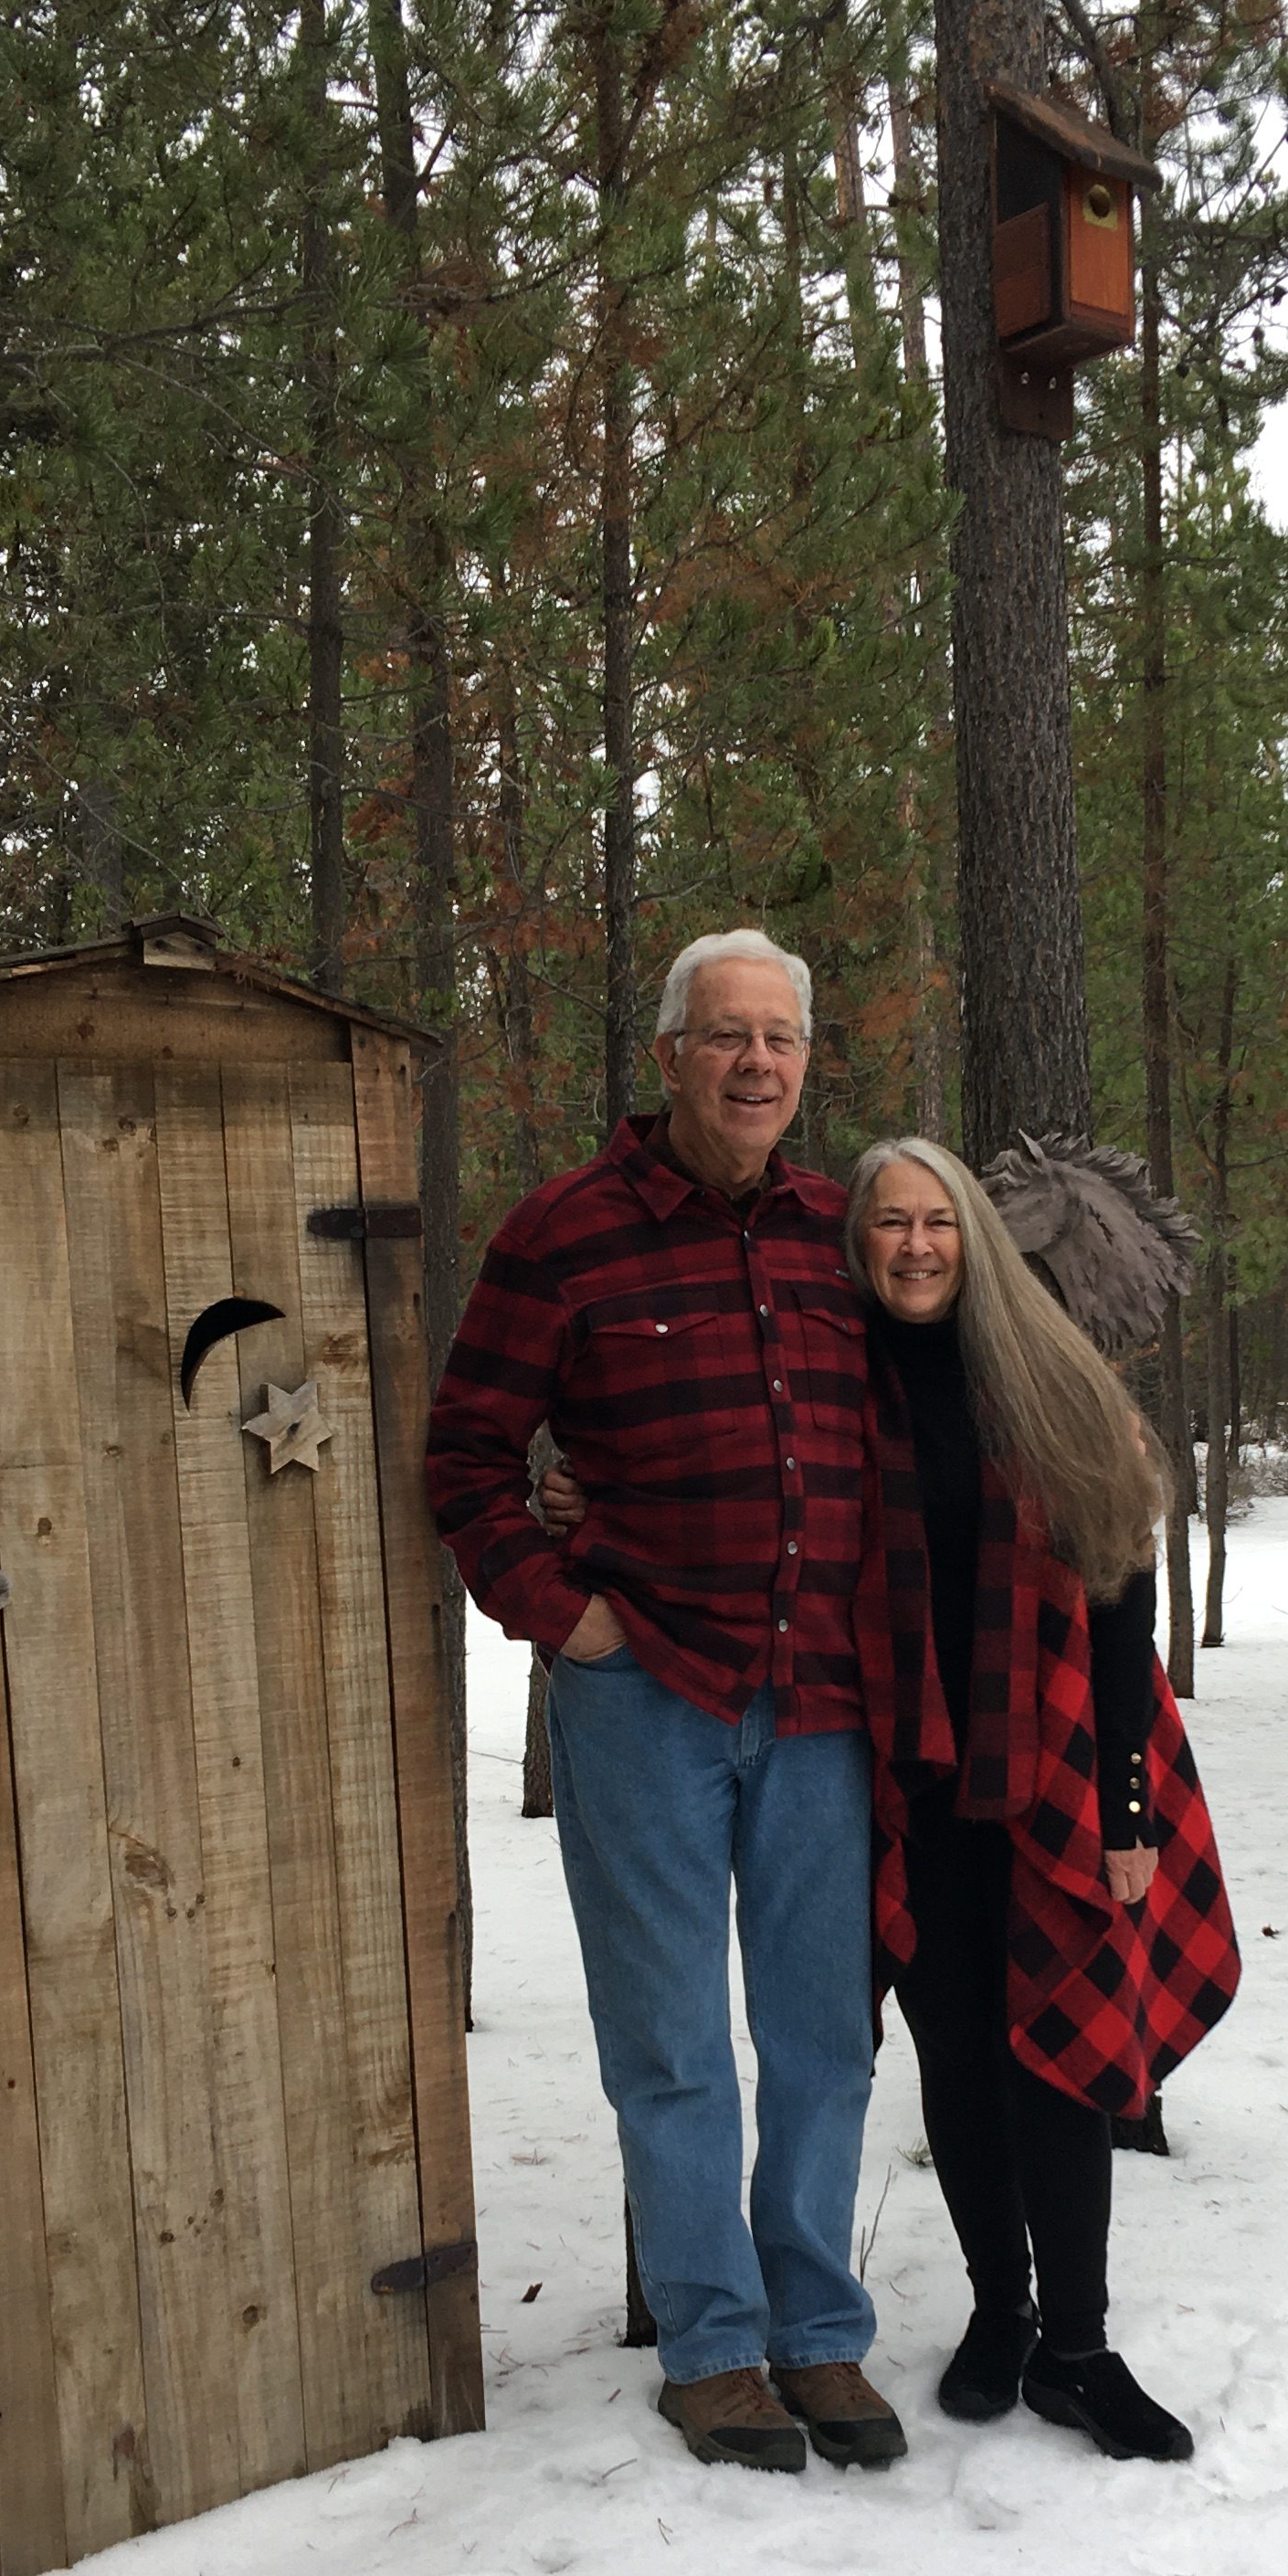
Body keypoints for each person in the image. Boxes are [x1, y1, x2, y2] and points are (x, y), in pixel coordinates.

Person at [424, 929, 903, 2478]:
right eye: (727, 1037)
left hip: (824, 1700)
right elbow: (467, 1460)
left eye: (782, 1040)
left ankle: (818, 2330)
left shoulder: (843, 1236)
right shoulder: (564, 1235)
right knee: (675, 2041)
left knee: (825, 2037)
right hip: (648, 1704)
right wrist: (567, 1616)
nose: (757, 1065)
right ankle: (712, 2346)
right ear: (670, 1054)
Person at [848, 1135, 1240, 2461]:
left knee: (1061, 2058)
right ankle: (996, 2315)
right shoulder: (841, 1390)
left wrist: (1127, 1807)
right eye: (889, 1225)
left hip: (1064, 1770)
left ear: (973, 1239)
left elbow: (1124, 1596)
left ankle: (1079, 2346)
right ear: (861, 1243)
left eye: (938, 1224)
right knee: (957, 2050)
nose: (914, 1247)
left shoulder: (1047, 1381)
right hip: (913, 1780)